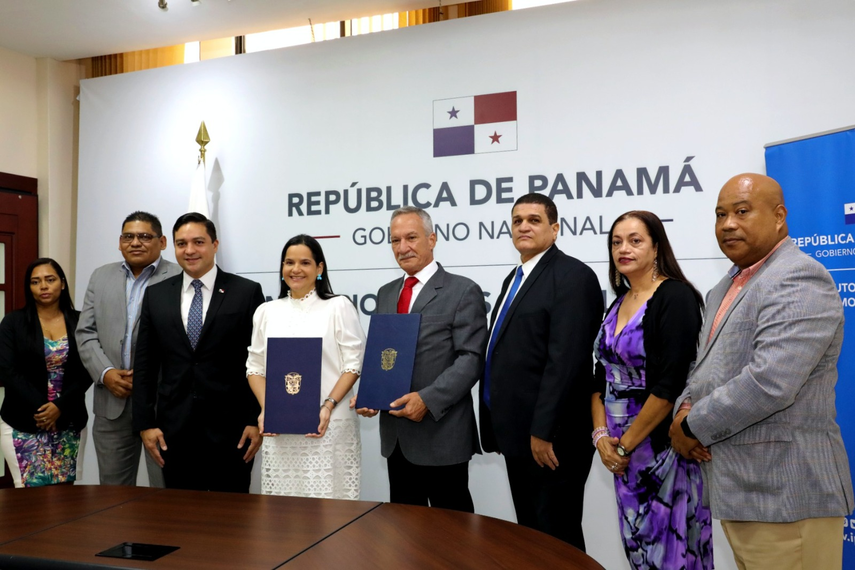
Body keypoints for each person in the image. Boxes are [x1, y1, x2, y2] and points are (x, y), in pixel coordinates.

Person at [670, 173, 854, 570]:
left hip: (788, 496)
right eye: (720, 214)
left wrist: (691, 426)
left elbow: (770, 383)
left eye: (742, 211)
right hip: (741, 494)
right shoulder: (723, 289)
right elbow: (702, 368)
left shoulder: (799, 276)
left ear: (779, 216)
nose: (728, 224)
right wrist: (683, 408)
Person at [480, 193, 603, 550]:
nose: (523, 226)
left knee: (557, 541)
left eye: (534, 220)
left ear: (555, 228)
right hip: (518, 435)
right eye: (517, 220)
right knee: (532, 539)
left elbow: (567, 362)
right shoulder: (516, 276)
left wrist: (543, 431)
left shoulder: (573, 276)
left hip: (550, 439)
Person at [591, 211, 713, 570]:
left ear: (656, 247)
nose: (623, 249)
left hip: (661, 450)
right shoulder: (618, 301)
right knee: (639, 555)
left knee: (673, 557)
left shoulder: (675, 297)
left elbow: (669, 386)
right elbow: (600, 376)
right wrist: (601, 437)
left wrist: (624, 446)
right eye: (616, 242)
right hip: (621, 456)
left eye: (635, 240)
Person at [353, 206, 487, 512]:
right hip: (397, 439)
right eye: (395, 240)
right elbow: (384, 356)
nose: (402, 248)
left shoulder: (463, 290)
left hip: (442, 434)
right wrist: (371, 394)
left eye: (411, 238)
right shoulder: (386, 293)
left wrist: (427, 399)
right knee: (404, 531)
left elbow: (471, 359)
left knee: (451, 531)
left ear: (432, 239)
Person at [133, 212, 264, 492]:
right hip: (173, 431)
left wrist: (254, 419)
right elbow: (145, 365)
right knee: (181, 514)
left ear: (215, 245)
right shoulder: (156, 295)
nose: (189, 250)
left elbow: (259, 362)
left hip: (233, 431)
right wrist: (145, 424)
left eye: (198, 242)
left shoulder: (246, 292)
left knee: (233, 514)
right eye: (181, 244)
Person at [246, 235, 365, 499]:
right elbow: (255, 368)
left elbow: (353, 364)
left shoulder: (338, 306)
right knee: (282, 514)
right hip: (280, 433)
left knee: (331, 511)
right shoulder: (266, 311)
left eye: (305, 263)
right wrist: (269, 409)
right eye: (289, 262)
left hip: (329, 428)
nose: (296, 269)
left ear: (319, 268)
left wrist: (328, 405)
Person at [76, 211, 181, 487]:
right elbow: (85, 332)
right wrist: (106, 373)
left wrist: (147, 379)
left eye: (144, 236)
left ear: (162, 242)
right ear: (120, 242)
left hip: (162, 406)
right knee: (113, 495)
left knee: (166, 491)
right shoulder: (100, 276)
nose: (135, 242)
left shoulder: (180, 276)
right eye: (128, 237)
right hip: (112, 402)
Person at [0, 258, 92, 487]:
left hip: (69, 419)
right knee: (29, 497)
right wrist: (45, 410)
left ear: (62, 283)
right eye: (35, 281)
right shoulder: (13, 322)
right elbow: (7, 370)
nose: (43, 286)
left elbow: (89, 369)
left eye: (50, 280)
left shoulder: (81, 321)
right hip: (23, 420)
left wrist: (59, 407)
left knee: (65, 496)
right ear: (29, 287)